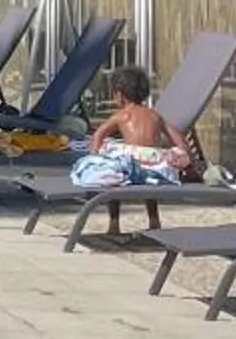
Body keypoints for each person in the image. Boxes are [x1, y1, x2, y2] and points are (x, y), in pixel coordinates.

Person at [70, 65, 192, 235]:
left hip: (131, 162)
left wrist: (95, 156)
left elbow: (99, 134)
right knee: (149, 185)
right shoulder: (154, 115)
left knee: (112, 174)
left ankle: (114, 223)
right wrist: (183, 154)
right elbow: (178, 137)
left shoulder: (123, 115)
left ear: (119, 94)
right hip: (154, 163)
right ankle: (154, 219)